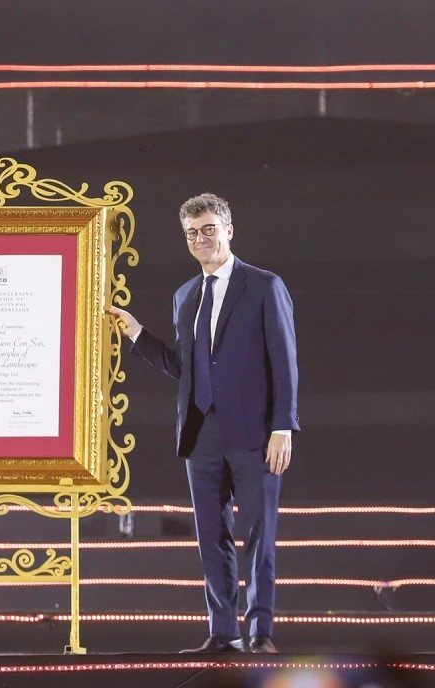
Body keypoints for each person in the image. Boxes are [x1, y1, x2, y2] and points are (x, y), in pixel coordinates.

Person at [110, 193, 299, 654]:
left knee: (259, 537)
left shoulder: (264, 285)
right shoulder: (185, 295)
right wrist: (137, 334)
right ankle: (223, 632)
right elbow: (188, 369)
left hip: (256, 434)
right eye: (192, 233)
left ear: (229, 231)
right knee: (210, 539)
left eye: (209, 229)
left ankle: (259, 634)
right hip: (201, 436)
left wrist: (283, 427)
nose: (201, 239)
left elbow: (284, 359)